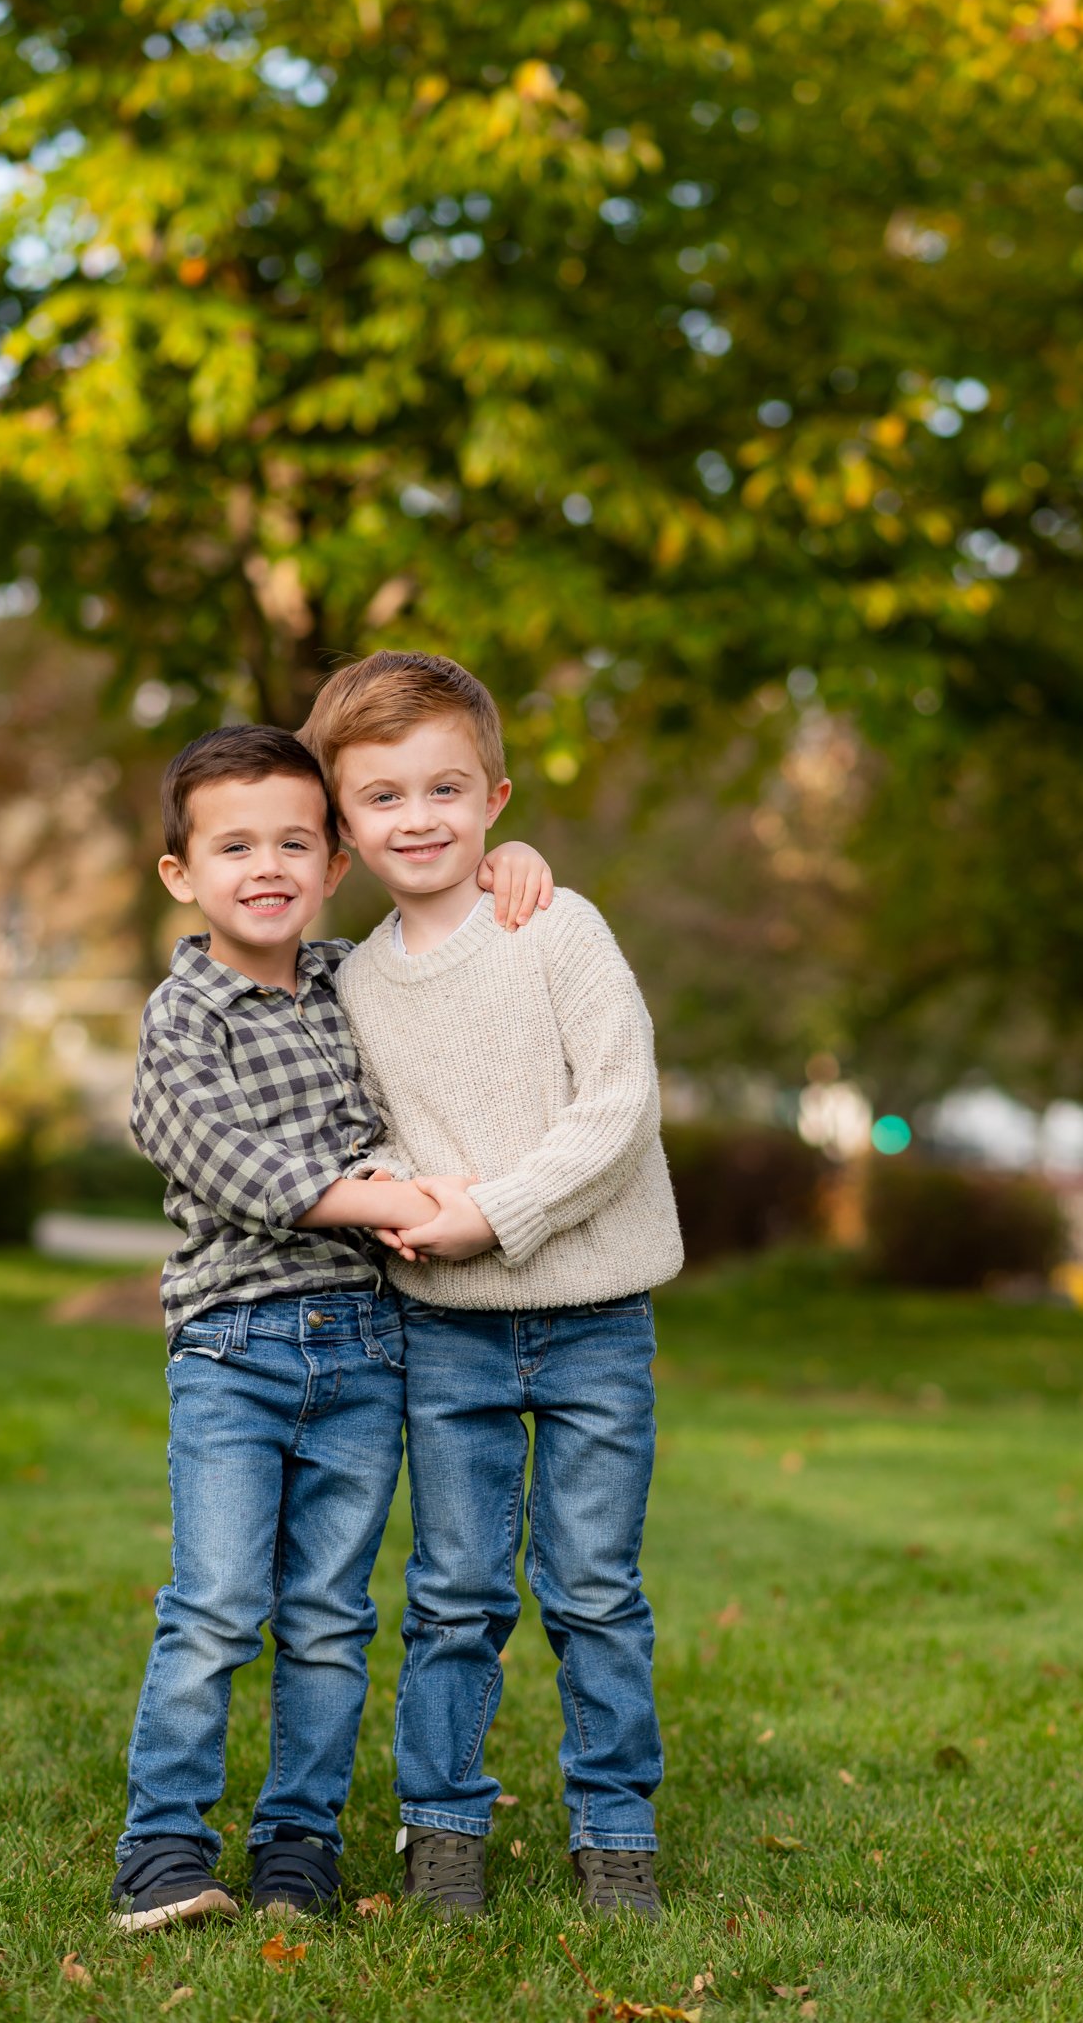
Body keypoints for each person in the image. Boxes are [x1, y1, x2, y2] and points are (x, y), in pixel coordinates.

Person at [109, 723, 552, 1933]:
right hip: (233, 1351)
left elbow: (450, 949)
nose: (267, 865)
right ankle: (164, 1846)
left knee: (326, 1615)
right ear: (180, 874)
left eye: (296, 841)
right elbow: (226, 1158)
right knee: (212, 1604)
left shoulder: (351, 979)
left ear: (335, 859)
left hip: (365, 1349)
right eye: (235, 844)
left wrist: (509, 865)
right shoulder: (182, 1017)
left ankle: (297, 1839)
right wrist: (384, 1200)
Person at [299, 652, 684, 1922]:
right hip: (447, 1335)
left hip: (593, 1325)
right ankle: (443, 1829)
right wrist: (422, 1204)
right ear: (343, 830)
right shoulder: (350, 982)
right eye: (384, 797)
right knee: (456, 1593)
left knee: (592, 1588)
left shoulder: (554, 924)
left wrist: (492, 1212)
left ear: (496, 797)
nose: (419, 817)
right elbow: (368, 1133)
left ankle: (613, 1827)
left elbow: (618, 1104)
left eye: (445, 789)